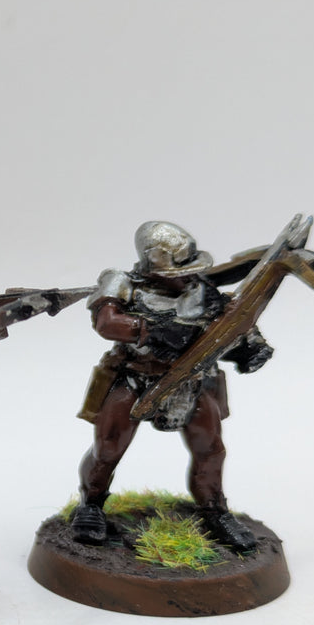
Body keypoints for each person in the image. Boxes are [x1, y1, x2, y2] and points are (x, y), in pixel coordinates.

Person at [72, 221, 273, 551]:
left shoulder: (201, 290)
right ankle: (91, 506)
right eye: (179, 271)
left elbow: (227, 328)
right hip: (135, 377)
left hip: (192, 381)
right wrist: (152, 330)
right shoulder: (124, 283)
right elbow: (107, 323)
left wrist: (249, 347)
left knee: (210, 448)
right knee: (108, 447)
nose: (187, 277)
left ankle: (215, 510)